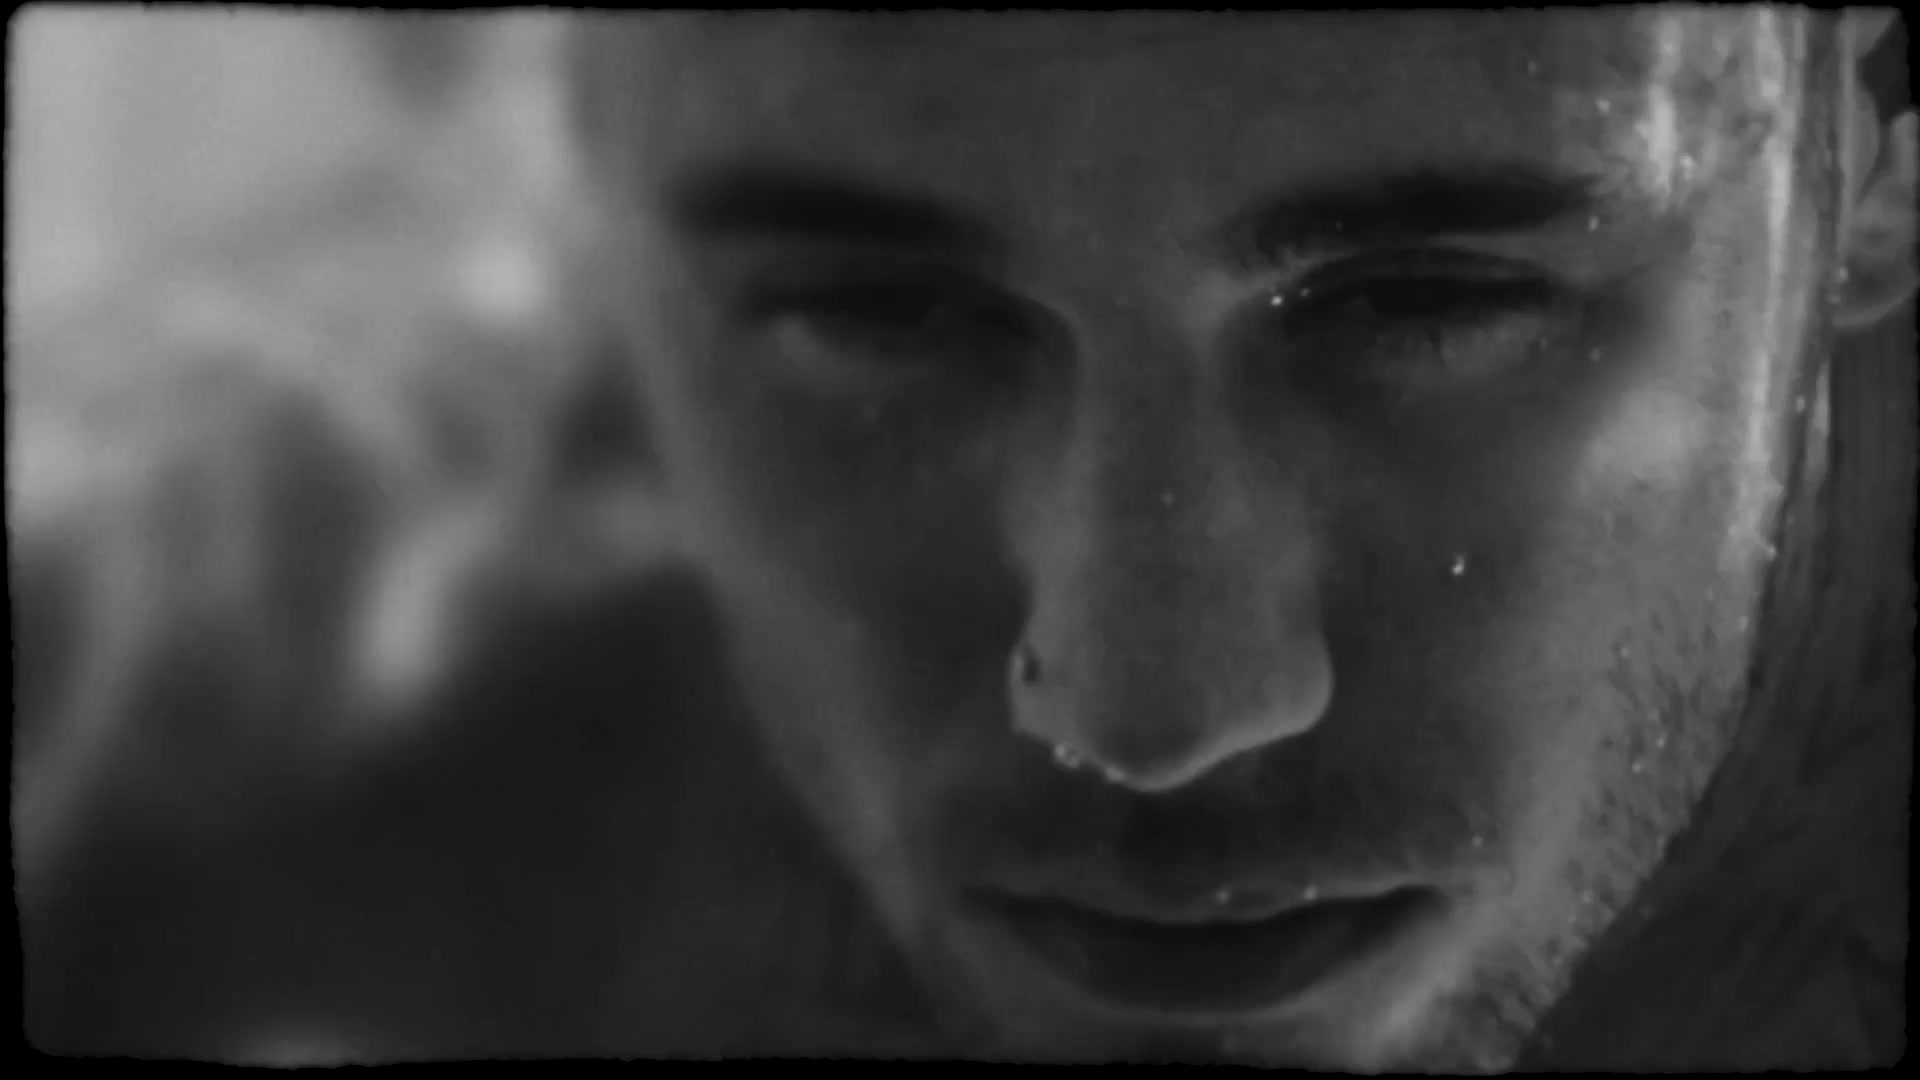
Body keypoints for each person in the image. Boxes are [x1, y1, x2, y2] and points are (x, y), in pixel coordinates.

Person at [19, 9, 1914, 1069]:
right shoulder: (169, 787)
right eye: (876, 317)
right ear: (578, 183)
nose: (1152, 715)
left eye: (1422, 300)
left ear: (1876, 149)